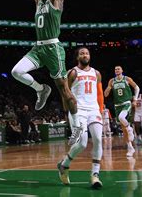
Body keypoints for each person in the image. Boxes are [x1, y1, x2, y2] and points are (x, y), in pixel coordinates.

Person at [11, 0, 82, 145]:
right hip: (38, 48)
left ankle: (76, 128)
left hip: (53, 48)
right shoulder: (38, 1)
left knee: (65, 91)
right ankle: (41, 89)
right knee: (16, 71)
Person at [57, 47, 104, 188]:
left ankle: (95, 175)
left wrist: (101, 110)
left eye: (87, 53)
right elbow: (65, 93)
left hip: (94, 109)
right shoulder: (72, 72)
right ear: (77, 57)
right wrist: (66, 112)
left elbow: (100, 94)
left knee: (98, 139)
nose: (85, 55)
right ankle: (64, 165)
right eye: (82, 53)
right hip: (78, 111)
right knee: (82, 143)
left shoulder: (97, 73)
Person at [104, 65, 140, 157]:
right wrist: (107, 90)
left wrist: (135, 99)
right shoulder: (112, 81)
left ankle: (130, 128)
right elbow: (106, 95)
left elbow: (137, 88)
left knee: (121, 118)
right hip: (117, 105)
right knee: (123, 129)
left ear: (122, 70)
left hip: (126, 103)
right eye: (115, 69)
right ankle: (130, 147)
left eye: (118, 69)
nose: (117, 70)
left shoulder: (127, 79)